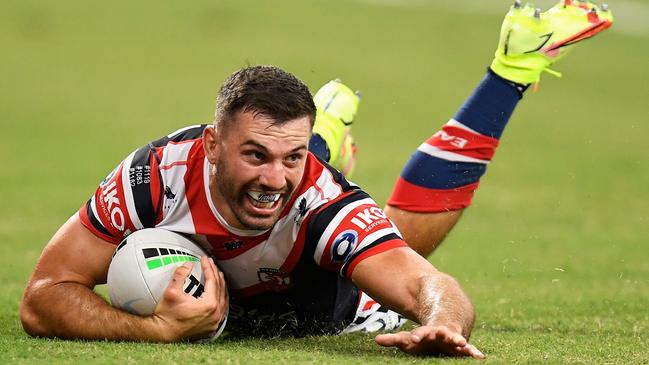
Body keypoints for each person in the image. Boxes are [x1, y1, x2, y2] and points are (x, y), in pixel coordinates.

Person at [20, 1, 612, 359]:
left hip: (311, 301)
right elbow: (43, 300)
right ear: (210, 145)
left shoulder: (322, 203)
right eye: (253, 152)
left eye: (292, 156)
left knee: (400, 238)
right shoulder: (154, 177)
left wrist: (440, 324)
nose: (275, 176)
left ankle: (509, 75)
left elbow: (429, 285)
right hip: (250, 233)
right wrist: (153, 331)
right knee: (270, 190)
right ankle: (322, 135)